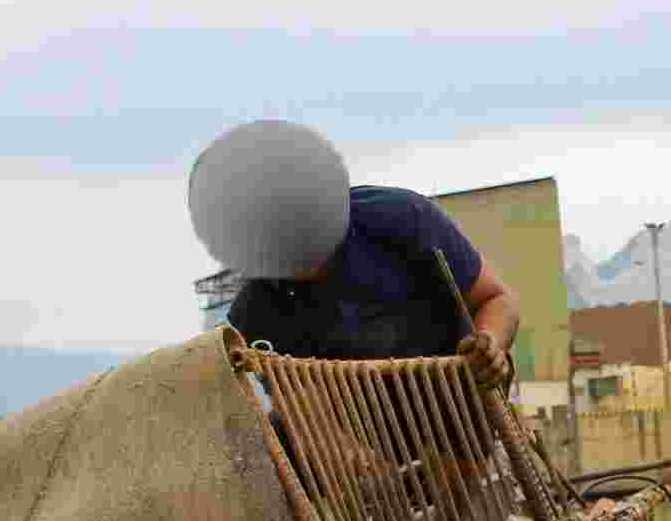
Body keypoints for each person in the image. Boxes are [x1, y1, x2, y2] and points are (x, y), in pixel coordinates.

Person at [188, 120, 518, 388]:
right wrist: (350, 457)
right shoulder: (256, 310)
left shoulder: (401, 217)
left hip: (459, 414)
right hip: (359, 442)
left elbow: (496, 300)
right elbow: (301, 411)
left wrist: (491, 345)